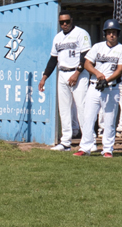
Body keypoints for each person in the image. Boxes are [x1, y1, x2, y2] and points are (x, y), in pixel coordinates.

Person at [38, 11, 92, 151]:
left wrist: (77, 73)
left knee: (82, 107)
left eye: (67, 21)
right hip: (62, 73)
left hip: (78, 73)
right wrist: (44, 77)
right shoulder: (58, 37)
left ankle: (88, 142)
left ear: (71, 20)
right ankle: (66, 142)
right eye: (62, 22)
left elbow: (86, 56)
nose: (64, 24)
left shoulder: (81, 33)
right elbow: (53, 59)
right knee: (64, 109)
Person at [75, 19, 122, 158]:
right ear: (105, 33)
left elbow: (120, 70)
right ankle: (85, 147)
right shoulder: (97, 46)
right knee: (88, 118)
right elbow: (87, 64)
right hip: (94, 86)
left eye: (114, 32)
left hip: (111, 88)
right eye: (109, 32)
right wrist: (97, 74)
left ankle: (107, 149)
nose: (112, 35)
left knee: (109, 119)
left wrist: (106, 80)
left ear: (118, 34)